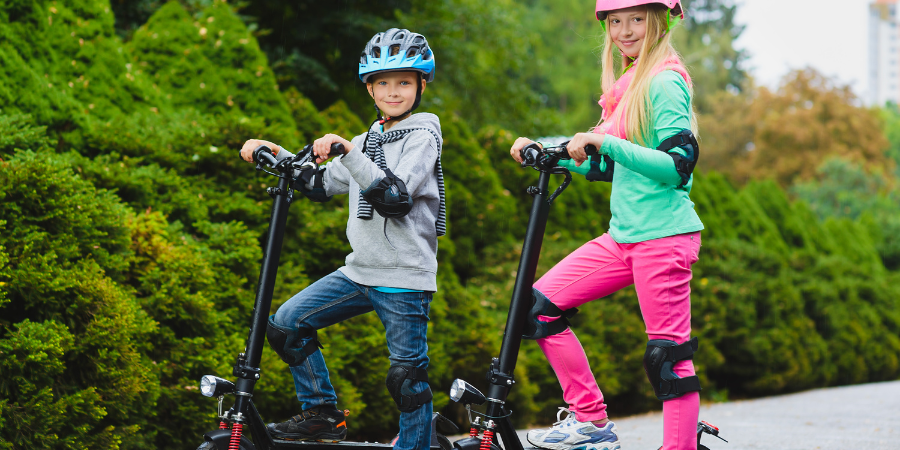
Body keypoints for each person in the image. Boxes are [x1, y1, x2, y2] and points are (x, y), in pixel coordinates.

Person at [509, 1, 703, 450]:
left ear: (660, 20)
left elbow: (678, 167)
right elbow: (607, 164)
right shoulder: (629, 83)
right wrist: (547, 151)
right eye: (616, 21)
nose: (625, 30)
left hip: (663, 237)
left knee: (667, 358)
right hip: (623, 237)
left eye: (636, 19)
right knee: (537, 308)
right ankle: (591, 424)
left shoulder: (665, 80)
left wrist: (609, 143)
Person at [238, 28, 445, 450]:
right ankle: (322, 415)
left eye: (404, 82)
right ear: (369, 89)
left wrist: (348, 152)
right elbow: (317, 183)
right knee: (286, 326)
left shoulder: (423, 136)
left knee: (406, 379)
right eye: (383, 83)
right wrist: (275, 154)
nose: (393, 91)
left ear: (421, 85)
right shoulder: (368, 139)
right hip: (359, 272)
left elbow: (394, 197)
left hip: (404, 277)